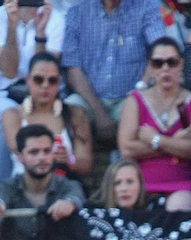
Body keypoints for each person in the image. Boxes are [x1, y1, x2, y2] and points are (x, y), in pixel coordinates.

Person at [62, 0, 169, 147]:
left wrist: (138, 92)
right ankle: (82, 159)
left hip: (131, 96)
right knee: (72, 107)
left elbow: (160, 52)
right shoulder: (77, 12)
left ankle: (130, 158)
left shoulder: (147, 7)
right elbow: (73, 70)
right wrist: (99, 112)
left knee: (144, 106)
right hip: (89, 98)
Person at [119, 38, 191, 207]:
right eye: (158, 63)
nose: (165, 68)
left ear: (181, 64)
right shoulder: (135, 100)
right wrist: (175, 142)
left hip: (184, 183)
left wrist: (156, 140)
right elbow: (127, 149)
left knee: (178, 210)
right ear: (150, 66)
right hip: (140, 184)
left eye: (172, 62)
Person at [0, 124, 85, 240]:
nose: (42, 157)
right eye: (34, 152)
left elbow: (75, 196)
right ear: (20, 157)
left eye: (47, 151)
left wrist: (69, 203)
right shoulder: (7, 186)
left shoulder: (68, 185)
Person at [1, 53, 92, 180]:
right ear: (28, 79)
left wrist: (68, 161)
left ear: (59, 82)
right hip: (24, 184)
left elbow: (85, 164)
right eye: (39, 79)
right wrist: (52, 155)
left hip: (64, 184)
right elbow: (19, 150)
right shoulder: (13, 115)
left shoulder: (76, 114)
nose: (45, 85)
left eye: (52, 80)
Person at [0, 0, 65, 123]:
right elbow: (9, 72)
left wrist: (40, 34)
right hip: (6, 91)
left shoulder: (56, 18)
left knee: (52, 111)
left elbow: (45, 72)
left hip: (44, 89)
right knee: (1, 112)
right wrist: (11, 26)